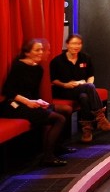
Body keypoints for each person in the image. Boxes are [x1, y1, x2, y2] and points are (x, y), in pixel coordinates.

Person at [2, 39, 69, 167]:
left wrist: (41, 102)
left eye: (42, 50)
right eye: (37, 50)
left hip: (31, 103)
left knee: (66, 109)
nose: (41, 52)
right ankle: (48, 157)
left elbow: (34, 93)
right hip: (14, 105)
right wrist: (28, 102)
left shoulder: (38, 69)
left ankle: (57, 146)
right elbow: (8, 91)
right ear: (27, 53)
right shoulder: (19, 66)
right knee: (59, 119)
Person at [50, 33, 110, 143]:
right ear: (67, 44)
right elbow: (53, 79)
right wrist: (65, 84)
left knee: (84, 97)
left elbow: (91, 76)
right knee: (87, 89)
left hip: (82, 89)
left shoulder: (85, 58)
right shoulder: (57, 60)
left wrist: (88, 84)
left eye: (79, 44)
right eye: (74, 43)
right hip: (64, 90)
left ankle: (87, 130)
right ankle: (101, 120)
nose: (76, 46)